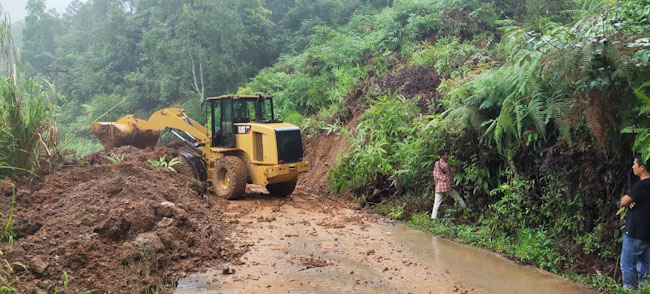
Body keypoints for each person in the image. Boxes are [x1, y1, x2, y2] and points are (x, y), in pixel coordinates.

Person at [619, 154, 650, 289]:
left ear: (642, 167)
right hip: (647, 234)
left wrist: (629, 201)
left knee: (627, 264)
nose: (632, 166)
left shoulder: (642, 184)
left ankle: (628, 290)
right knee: (646, 265)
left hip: (635, 232)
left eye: (634, 164)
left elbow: (624, 201)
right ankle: (644, 290)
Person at [431, 148, 466, 220]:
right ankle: (465, 210)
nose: (448, 156)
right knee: (458, 198)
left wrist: (437, 184)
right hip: (447, 186)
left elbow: (435, 175)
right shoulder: (446, 165)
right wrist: (453, 184)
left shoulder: (436, 163)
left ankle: (433, 218)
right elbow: (449, 176)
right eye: (446, 155)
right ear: (442, 156)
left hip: (439, 187)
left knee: (436, 204)